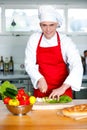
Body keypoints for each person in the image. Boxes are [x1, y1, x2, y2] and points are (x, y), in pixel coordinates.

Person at [25, 5, 83, 99]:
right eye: (44, 25)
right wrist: (39, 78)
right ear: (40, 25)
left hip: (62, 90)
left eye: (51, 25)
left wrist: (63, 88)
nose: (48, 29)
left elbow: (77, 65)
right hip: (42, 89)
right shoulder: (34, 39)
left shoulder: (65, 41)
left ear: (57, 24)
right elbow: (29, 64)